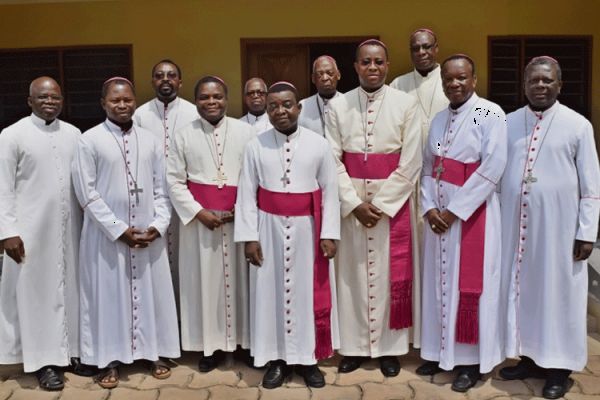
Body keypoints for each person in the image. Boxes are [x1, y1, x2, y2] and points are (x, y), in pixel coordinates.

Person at [499, 56, 600, 399]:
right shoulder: (507, 122)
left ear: (559, 85)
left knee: (558, 297)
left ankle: (559, 369)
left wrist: (586, 232)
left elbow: (591, 185)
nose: (540, 86)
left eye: (547, 81)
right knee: (523, 293)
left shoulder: (578, 125)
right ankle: (528, 358)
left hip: (560, 231)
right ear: (524, 85)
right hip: (517, 229)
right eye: (534, 81)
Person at [72, 77, 180, 388]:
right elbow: (87, 194)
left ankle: (154, 352)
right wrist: (119, 230)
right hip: (107, 238)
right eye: (115, 101)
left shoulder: (150, 141)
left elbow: (163, 190)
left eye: (128, 100)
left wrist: (158, 226)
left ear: (134, 101)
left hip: (147, 235)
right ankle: (109, 360)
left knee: (151, 296)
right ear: (103, 104)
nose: (122, 105)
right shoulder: (89, 140)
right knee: (109, 299)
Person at [325, 39, 422, 377]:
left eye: (379, 62)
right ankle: (353, 348)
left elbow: (411, 161)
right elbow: (331, 159)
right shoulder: (338, 107)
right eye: (365, 62)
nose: (373, 68)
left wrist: (379, 204)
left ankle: (389, 349)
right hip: (350, 203)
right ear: (355, 67)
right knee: (351, 277)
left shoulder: (406, 104)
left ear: (387, 64)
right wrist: (352, 203)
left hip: (390, 206)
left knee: (388, 275)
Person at [235, 82, 340, 389]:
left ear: (299, 107)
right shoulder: (256, 145)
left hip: (308, 230)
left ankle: (309, 361)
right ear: (266, 111)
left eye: (286, 105)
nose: (280, 111)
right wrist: (249, 238)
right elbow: (246, 193)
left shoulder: (319, 144)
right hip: (268, 229)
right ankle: (277, 360)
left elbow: (330, 193)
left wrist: (329, 233)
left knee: (307, 293)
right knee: (271, 293)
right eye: (273, 107)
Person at [419, 54, 507, 392]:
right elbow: (430, 167)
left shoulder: (489, 112)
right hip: (438, 216)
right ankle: (440, 353)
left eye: (461, 78)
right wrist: (429, 208)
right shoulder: (439, 118)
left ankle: (471, 361)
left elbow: (492, 167)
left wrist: (455, 211)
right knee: (439, 285)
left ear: (473, 78)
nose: (454, 84)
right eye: (448, 79)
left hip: (473, 216)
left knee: (469, 287)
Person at [0, 77, 95, 391]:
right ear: (30, 101)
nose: (49, 101)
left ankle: (73, 353)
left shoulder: (73, 134)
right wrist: (8, 231)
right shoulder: (12, 135)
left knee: (71, 291)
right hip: (30, 232)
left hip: (71, 230)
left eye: (55, 96)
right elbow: (3, 188)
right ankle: (43, 363)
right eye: (42, 97)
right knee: (37, 297)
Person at [167, 76, 254, 372]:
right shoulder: (183, 135)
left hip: (237, 219)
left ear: (227, 99)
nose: (211, 102)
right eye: (204, 97)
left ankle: (243, 342)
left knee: (241, 283)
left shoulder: (245, 131)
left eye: (217, 96)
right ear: (196, 102)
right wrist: (198, 212)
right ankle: (211, 346)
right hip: (199, 224)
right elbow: (174, 181)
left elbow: (254, 177)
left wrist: (240, 209)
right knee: (204, 283)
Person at [134, 59, 198, 301]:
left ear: (180, 81)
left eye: (171, 75)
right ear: (152, 81)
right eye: (159, 75)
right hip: (153, 196)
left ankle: (185, 313)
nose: (165, 80)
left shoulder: (193, 112)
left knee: (186, 256)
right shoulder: (139, 114)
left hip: (185, 194)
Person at [298, 55, 342, 136]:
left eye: (330, 73)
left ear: (338, 75)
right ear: (313, 78)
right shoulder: (303, 106)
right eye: (320, 74)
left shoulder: (349, 102)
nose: (325, 78)